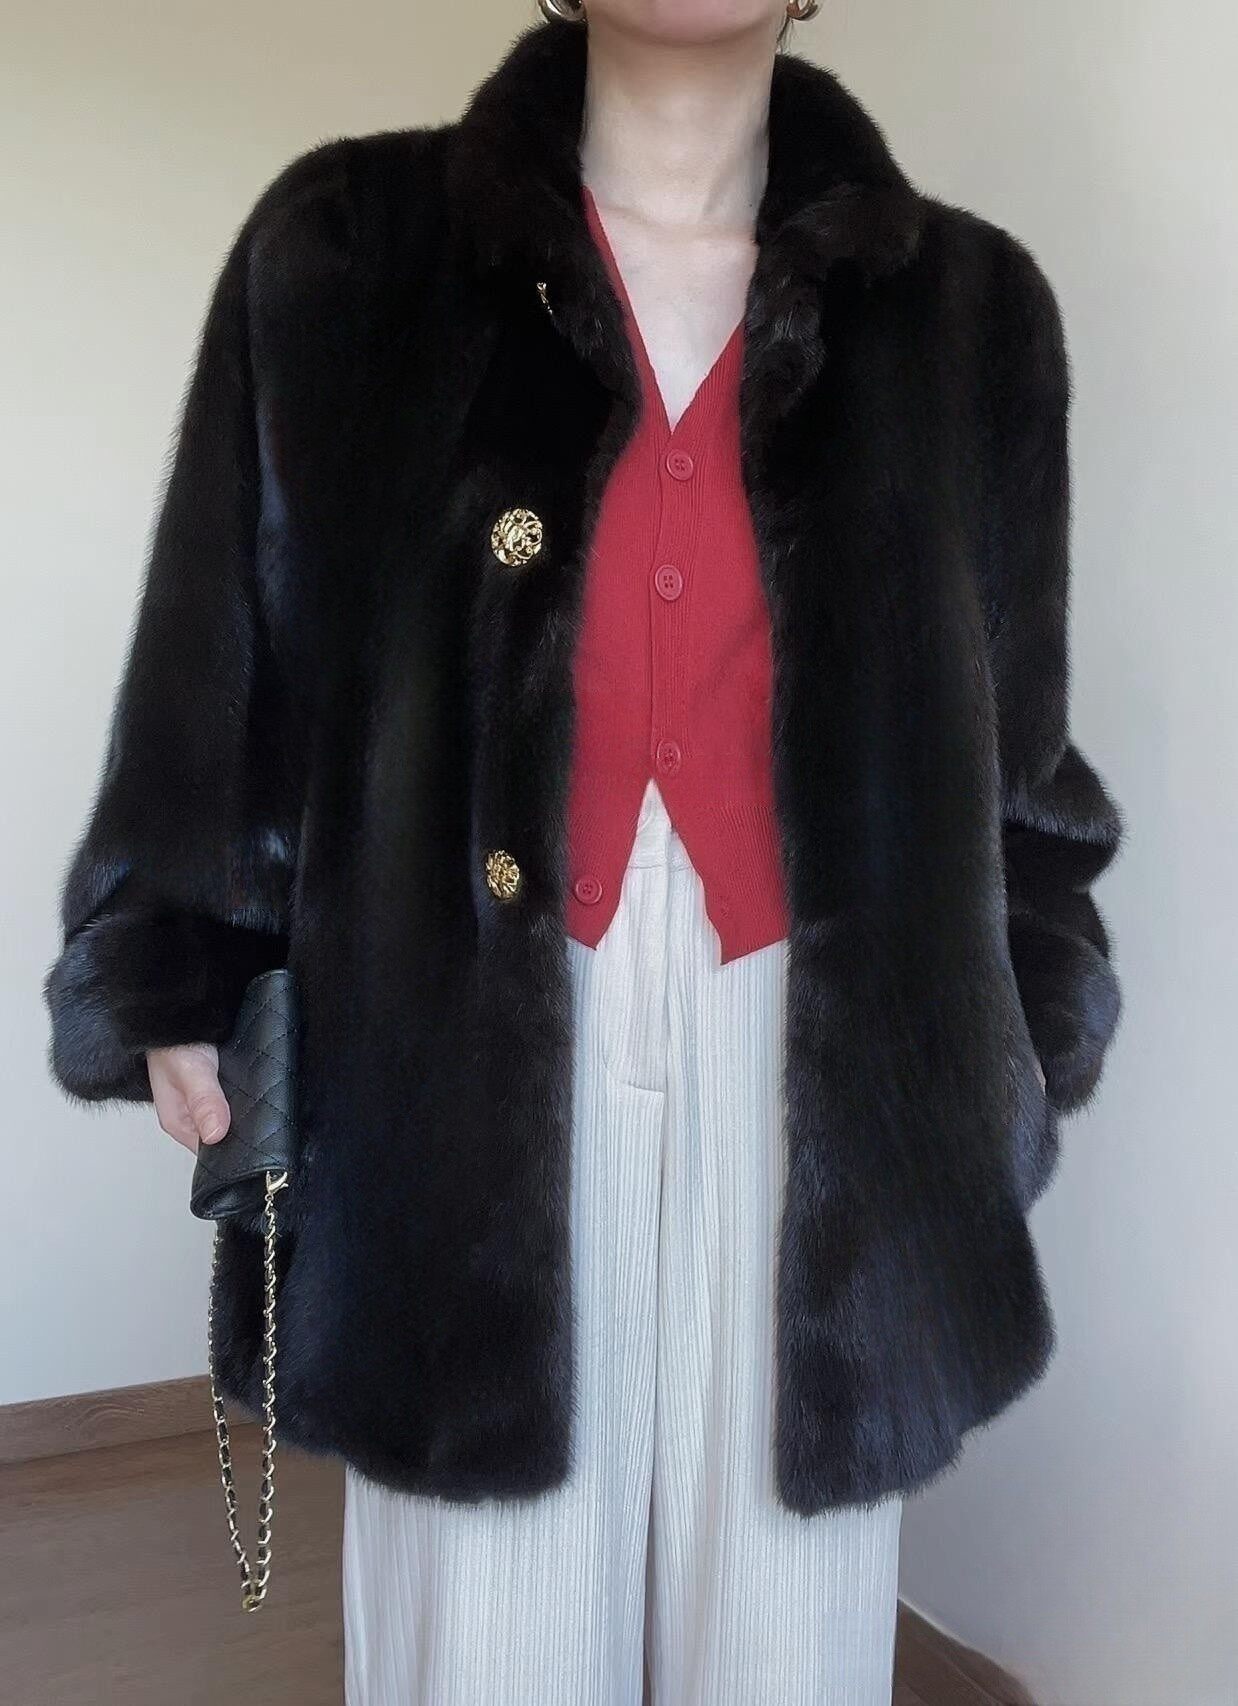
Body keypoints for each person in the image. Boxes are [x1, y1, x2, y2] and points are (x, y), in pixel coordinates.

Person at [42, 3, 1124, 1702]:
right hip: (449, 1036)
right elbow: (226, 646)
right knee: (484, 1629)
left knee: (787, 1636)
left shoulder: (967, 310)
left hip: (829, 1057)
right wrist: (178, 954)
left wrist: (1022, 1033)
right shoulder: (346, 253)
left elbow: (1017, 746)